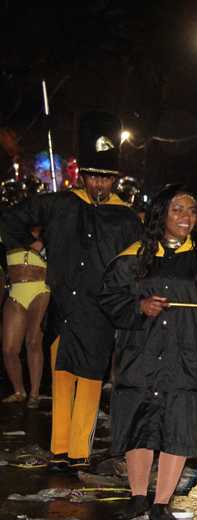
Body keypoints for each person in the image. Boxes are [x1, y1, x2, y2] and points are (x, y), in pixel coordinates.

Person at [0, 112, 142, 472]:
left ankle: (79, 452)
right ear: (84, 175)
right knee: (61, 380)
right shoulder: (59, 203)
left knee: (91, 382)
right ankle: (60, 449)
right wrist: (35, 245)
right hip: (62, 306)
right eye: (94, 176)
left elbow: (137, 266)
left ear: (115, 179)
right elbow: (9, 220)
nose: (99, 184)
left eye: (106, 178)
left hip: (99, 312)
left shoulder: (126, 218)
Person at [98, 184, 197, 520]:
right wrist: (139, 306)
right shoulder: (134, 256)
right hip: (142, 353)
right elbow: (108, 297)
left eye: (192, 211)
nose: (186, 217)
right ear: (161, 214)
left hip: (189, 356)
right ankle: (137, 498)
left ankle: (161, 504)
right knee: (138, 423)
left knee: (179, 426)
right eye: (177, 210)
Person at [2, 231, 50, 407]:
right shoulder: (8, 232)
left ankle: (35, 393)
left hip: (41, 290)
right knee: (8, 348)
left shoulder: (46, 234)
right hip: (16, 292)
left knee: (33, 341)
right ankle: (19, 390)